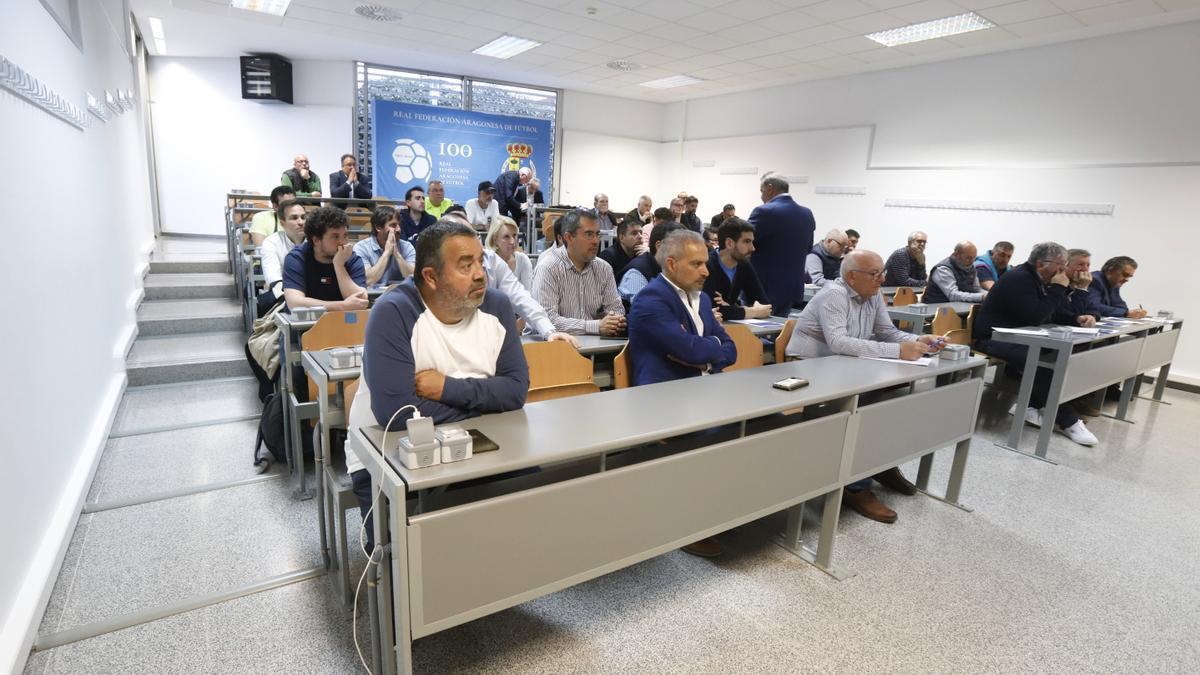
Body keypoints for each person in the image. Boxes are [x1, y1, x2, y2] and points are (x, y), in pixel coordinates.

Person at [346, 219, 530, 551]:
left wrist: (445, 388)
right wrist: (486, 401)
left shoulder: (496, 305)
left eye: (480, 262)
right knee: (404, 568)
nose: (479, 274)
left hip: (484, 444)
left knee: (528, 515)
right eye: (465, 266)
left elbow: (516, 392)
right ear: (431, 277)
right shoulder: (394, 313)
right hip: (388, 457)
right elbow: (397, 415)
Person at [786, 249, 946, 523]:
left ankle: (878, 463)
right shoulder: (833, 295)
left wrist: (919, 339)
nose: (882, 279)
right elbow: (839, 342)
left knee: (891, 401)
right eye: (875, 274)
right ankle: (856, 486)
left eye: (882, 272)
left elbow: (888, 332)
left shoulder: (872, 295)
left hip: (847, 365)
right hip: (810, 367)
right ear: (851, 276)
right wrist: (898, 351)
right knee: (866, 409)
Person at [628, 229, 738, 557]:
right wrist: (705, 349)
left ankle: (736, 505)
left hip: (701, 390)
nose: (707, 271)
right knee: (721, 431)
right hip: (663, 399)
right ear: (672, 264)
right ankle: (688, 522)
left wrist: (708, 348)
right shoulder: (650, 300)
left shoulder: (702, 299)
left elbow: (730, 349)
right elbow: (689, 352)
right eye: (697, 264)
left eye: (706, 263)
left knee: (767, 420)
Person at [972, 242, 1100, 447]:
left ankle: (1031, 405)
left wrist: (1077, 319)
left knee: (1061, 355)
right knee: (1040, 360)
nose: (1062, 269)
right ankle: (1067, 420)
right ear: (1041, 263)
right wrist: (1059, 287)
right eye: (1060, 264)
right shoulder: (1020, 278)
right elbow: (1036, 316)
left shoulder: (1041, 277)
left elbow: (1054, 311)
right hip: (994, 338)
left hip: (1021, 335)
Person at [440, 210, 577, 347]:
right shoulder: (439, 270)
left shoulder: (491, 259)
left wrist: (549, 331)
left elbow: (521, 297)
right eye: (462, 238)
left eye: (473, 235)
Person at [531, 210, 625, 336]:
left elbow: (616, 308)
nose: (596, 241)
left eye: (597, 234)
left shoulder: (604, 268)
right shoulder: (548, 268)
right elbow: (546, 320)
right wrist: (596, 326)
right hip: (553, 348)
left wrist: (613, 320)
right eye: (589, 234)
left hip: (596, 348)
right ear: (568, 237)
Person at [748, 175, 816, 316]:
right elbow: (809, 248)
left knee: (753, 334)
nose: (761, 196)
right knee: (779, 332)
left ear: (770, 188)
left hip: (763, 288)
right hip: (793, 288)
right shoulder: (806, 213)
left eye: (762, 191)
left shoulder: (764, 212)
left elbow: (743, 244)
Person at [281, 207, 368, 311]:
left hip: (341, 322)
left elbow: (361, 302)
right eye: (335, 236)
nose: (343, 242)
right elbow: (294, 303)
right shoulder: (296, 258)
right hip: (304, 324)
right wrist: (343, 306)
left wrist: (339, 265)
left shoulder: (352, 259)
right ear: (316, 240)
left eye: (345, 235)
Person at [705, 217, 771, 321]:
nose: (752, 248)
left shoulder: (744, 265)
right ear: (729, 243)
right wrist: (753, 311)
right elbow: (711, 310)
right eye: (746, 241)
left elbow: (765, 306)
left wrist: (733, 309)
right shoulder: (707, 266)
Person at [619, 222, 684, 305]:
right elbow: (650, 312)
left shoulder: (670, 268)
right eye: (680, 247)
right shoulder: (636, 273)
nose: (685, 253)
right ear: (659, 246)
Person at [353, 206, 415, 286]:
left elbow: (413, 278)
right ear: (378, 227)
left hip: (399, 296)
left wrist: (397, 254)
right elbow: (368, 280)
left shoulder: (407, 247)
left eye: (399, 225)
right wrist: (386, 253)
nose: (398, 229)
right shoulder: (361, 248)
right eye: (393, 225)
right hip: (370, 297)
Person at [260, 199, 307, 288]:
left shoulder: (316, 239)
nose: (301, 222)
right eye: (294, 218)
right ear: (282, 223)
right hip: (284, 291)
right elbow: (273, 279)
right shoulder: (271, 242)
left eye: (303, 217)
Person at [922, 241, 988, 304]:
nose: (972, 262)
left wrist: (988, 295)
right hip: (939, 309)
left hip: (960, 307)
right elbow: (953, 295)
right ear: (956, 254)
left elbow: (976, 289)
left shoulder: (971, 267)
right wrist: (981, 297)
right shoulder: (943, 269)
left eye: (974, 258)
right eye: (968, 258)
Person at [485, 215, 533, 291]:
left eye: (514, 235)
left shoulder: (522, 259)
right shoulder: (487, 263)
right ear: (495, 239)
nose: (512, 241)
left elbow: (528, 293)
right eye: (506, 237)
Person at [598, 218, 643, 285]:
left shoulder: (641, 254)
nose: (640, 236)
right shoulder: (608, 257)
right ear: (621, 238)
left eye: (641, 233)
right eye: (634, 233)